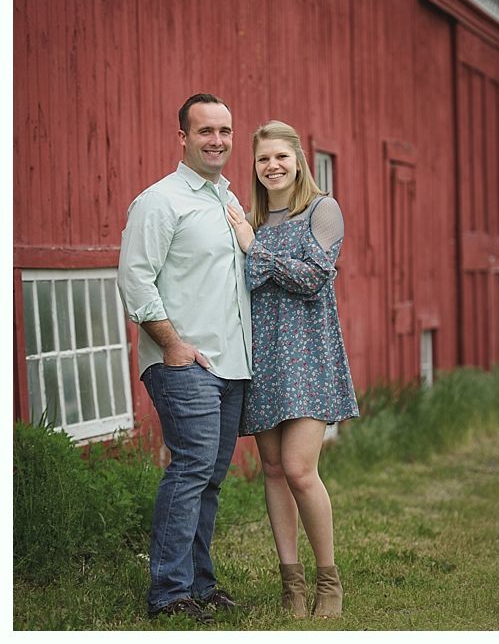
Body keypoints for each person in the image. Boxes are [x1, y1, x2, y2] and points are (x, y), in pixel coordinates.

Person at [117, 93, 252, 624]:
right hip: (185, 363)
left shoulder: (227, 200)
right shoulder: (161, 201)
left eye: (224, 131)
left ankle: (199, 582)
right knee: (191, 467)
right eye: (205, 132)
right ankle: (170, 593)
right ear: (183, 138)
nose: (216, 141)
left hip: (232, 367)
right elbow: (135, 279)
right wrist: (172, 345)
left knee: (210, 477)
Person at [225, 120, 359, 619]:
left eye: (281, 156)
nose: (272, 166)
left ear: (298, 159)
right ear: (255, 167)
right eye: (263, 159)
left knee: (302, 470)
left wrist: (253, 251)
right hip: (264, 359)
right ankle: (292, 588)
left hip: (310, 357)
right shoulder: (254, 221)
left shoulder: (321, 210)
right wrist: (249, 242)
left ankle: (329, 582)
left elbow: (315, 277)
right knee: (275, 471)